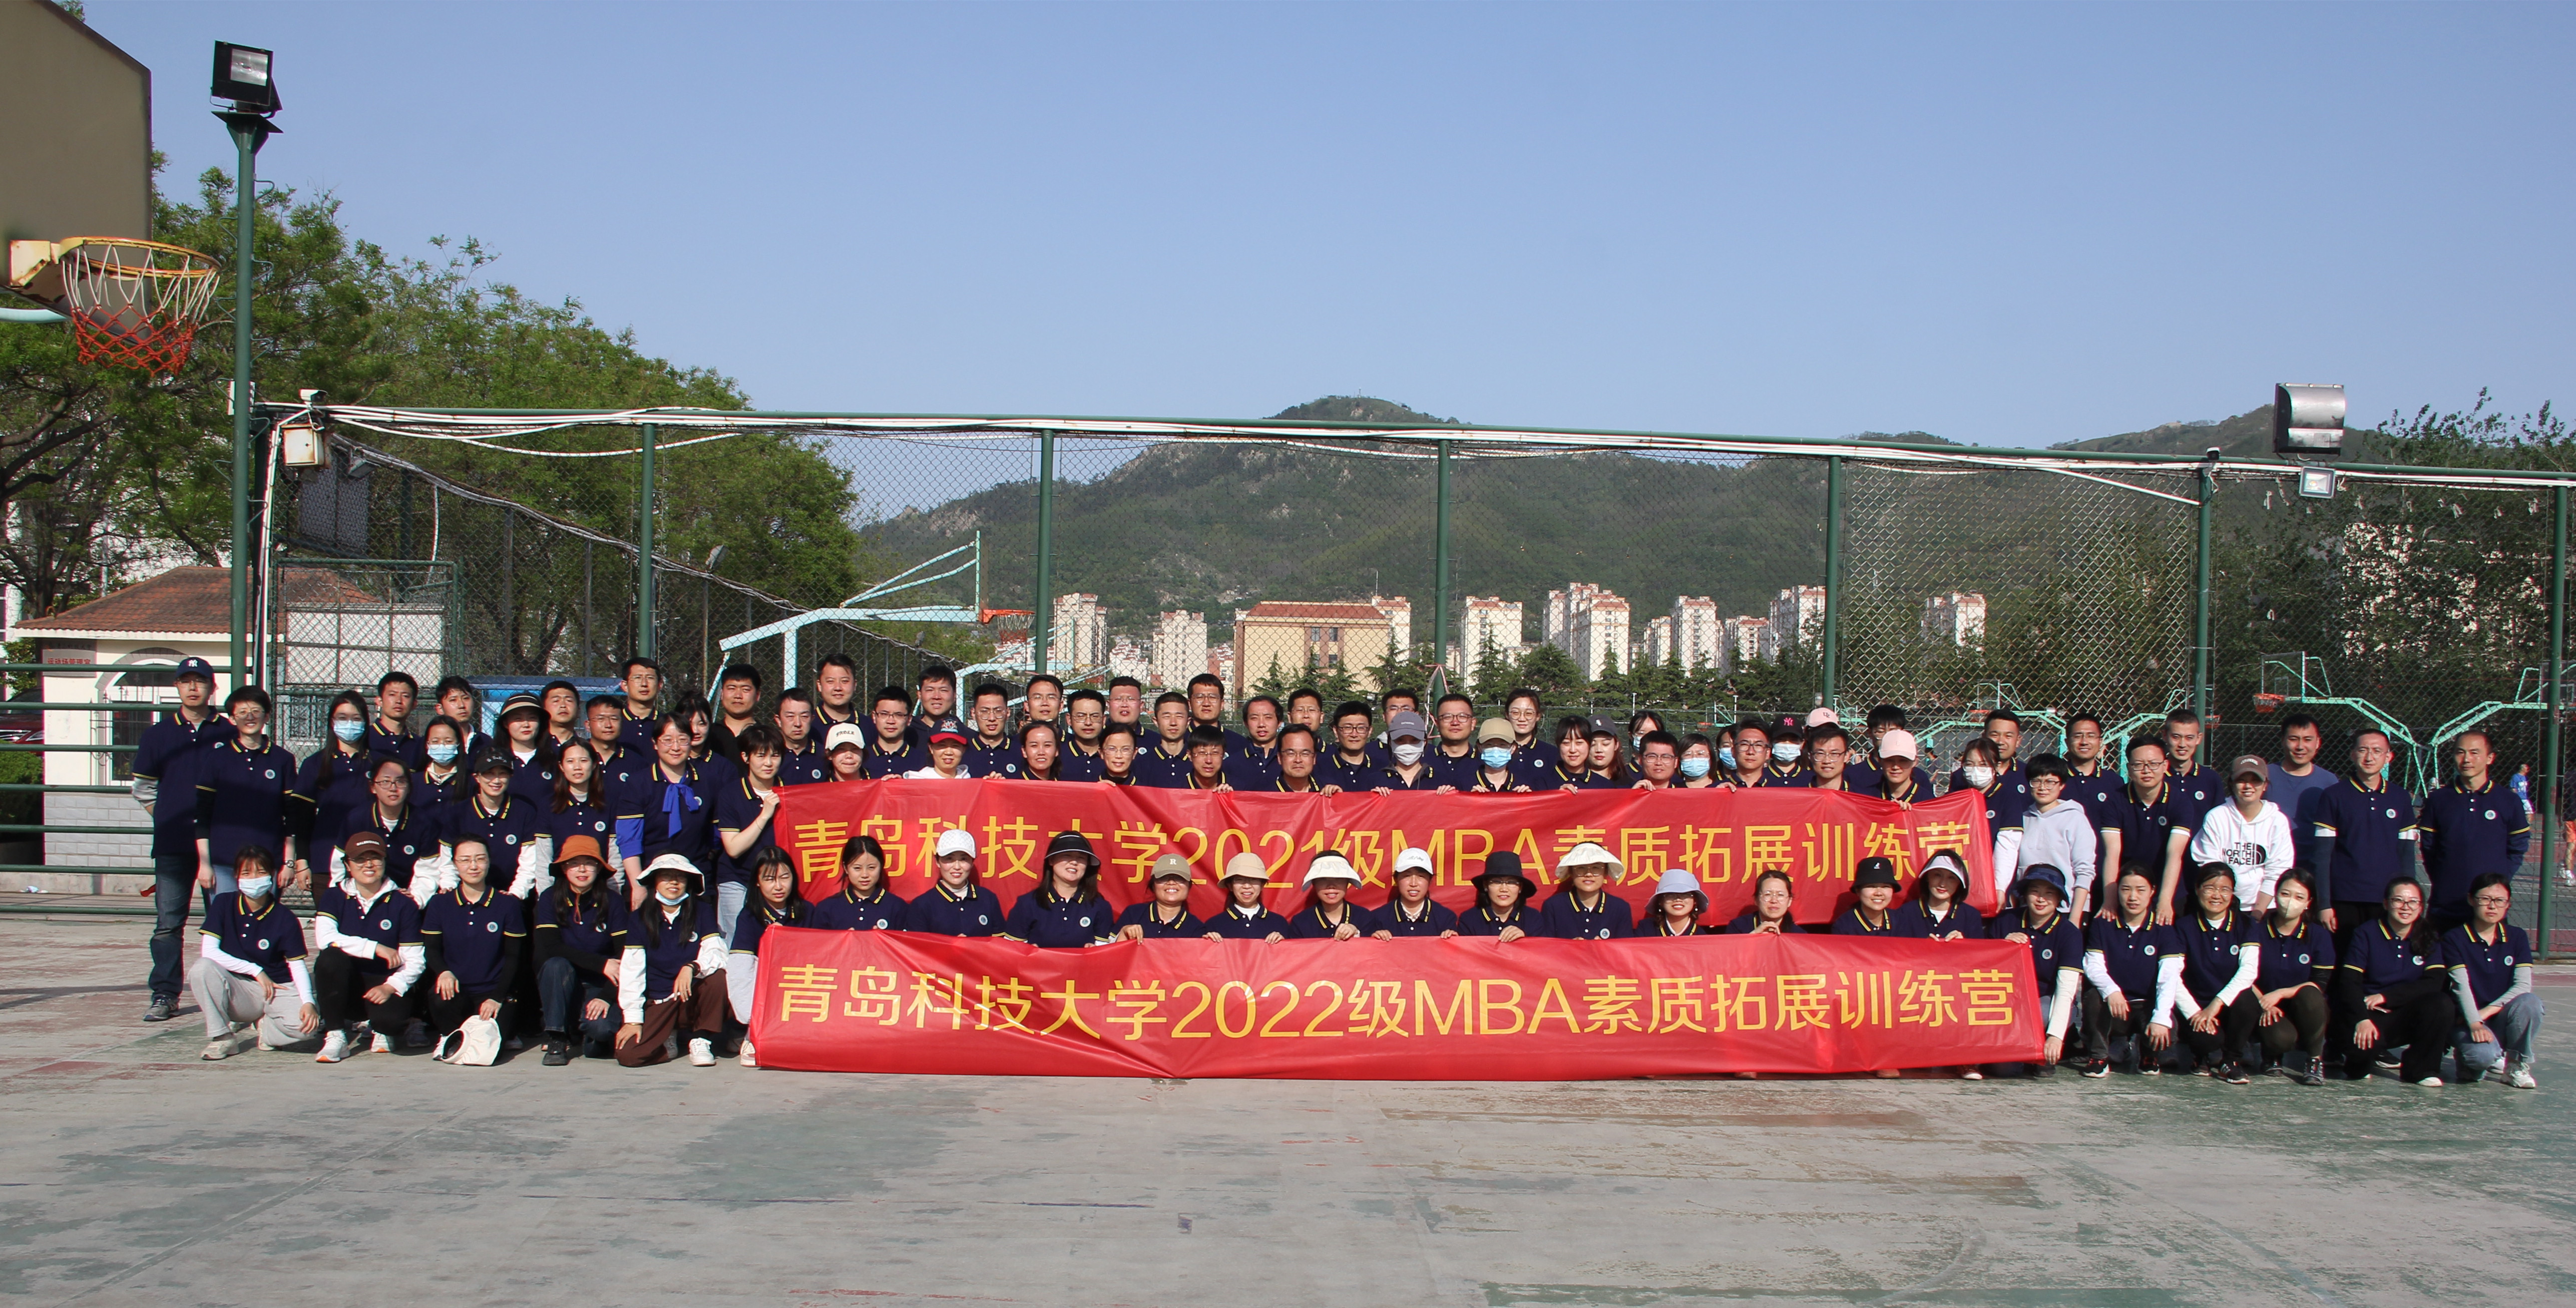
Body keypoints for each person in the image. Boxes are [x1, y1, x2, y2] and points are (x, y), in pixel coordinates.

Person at [133, 656, 229, 1023]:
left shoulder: (228, 732)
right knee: (168, 924)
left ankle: (228, 991)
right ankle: (165, 993)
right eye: (186, 681)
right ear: (176, 686)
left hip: (218, 847)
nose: (193, 687)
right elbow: (143, 788)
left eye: (200, 681)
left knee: (222, 921)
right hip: (173, 846)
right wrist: (167, 817)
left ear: (212, 687)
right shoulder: (158, 734)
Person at [189, 844, 320, 1060]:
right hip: (240, 989)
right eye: (247, 873)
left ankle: (266, 1030)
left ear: (272, 874)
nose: (254, 879)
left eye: (261, 872)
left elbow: (297, 965)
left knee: (306, 1029)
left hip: (277, 986)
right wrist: (256, 971)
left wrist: (308, 1002)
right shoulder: (223, 903)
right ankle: (222, 1038)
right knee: (202, 969)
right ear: (236, 877)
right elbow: (209, 951)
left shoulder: (285, 918)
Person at [308, 831, 423, 1062]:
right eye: (360, 859)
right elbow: (325, 938)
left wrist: (390, 987)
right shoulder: (333, 896)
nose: (369, 865)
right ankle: (335, 1035)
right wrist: (375, 948)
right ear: (348, 865)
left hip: (383, 984)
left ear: (385, 862)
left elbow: (415, 960)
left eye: (375, 858)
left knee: (389, 1020)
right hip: (347, 985)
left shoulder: (403, 903)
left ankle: (380, 1029)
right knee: (330, 959)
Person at [2333, 878, 2452, 1084]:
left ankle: (2421, 1071)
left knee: (2441, 1004)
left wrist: (2387, 997)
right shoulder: (2366, 933)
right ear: (2386, 904)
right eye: (2399, 900)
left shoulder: (2429, 936)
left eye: (2413, 902)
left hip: (2405, 1012)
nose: (2406, 907)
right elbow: (2349, 981)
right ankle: (2358, 1063)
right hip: (2371, 1012)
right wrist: (2361, 1019)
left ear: (2421, 907)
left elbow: (2433, 982)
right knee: (2360, 1056)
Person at [614, 854, 729, 1067]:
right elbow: (632, 970)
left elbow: (718, 953)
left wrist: (692, 967)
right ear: (655, 881)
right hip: (659, 1000)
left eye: (681, 877)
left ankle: (701, 1038)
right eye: (666, 876)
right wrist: (633, 1019)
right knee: (629, 1056)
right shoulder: (639, 918)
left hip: (691, 995)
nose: (674, 882)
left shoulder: (702, 910)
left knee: (718, 978)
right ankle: (669, 1040)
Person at [193, 685, 303, 898]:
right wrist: (204, 864)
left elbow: (292, 816)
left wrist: (289, 862)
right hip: (223, 862)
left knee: (264, 917)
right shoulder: (217, 759)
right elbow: (203, 814)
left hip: (267, 862)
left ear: (267, 716)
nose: (250, 717)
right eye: (242, 712)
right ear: (232, 719)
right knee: (225, 916)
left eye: (256, 711)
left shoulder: (283, 760)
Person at [2312, 728, 2418, 947]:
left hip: (2388, 899)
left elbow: (2407, 856)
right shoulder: (2334, 795)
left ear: (2389, 757)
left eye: (2377, 751)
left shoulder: (2400, 797)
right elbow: (2322, 856)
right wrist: (2324, 904)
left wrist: (2409, 901)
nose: (2369, 757)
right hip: (2344, 898)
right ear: (2352, 754)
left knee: (2383, 958)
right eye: (2363, 750)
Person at [420, 836, 528, 1048]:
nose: (473, 866)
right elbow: (431, 949)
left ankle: (498, 1032)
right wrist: (444, 972)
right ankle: (448, 1036)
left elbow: (514, 957)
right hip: (457, 990)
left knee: (488, 1048)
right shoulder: (440, 903)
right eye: (465, 860)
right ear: (455, 864)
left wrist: (497, 997)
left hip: (493, 992)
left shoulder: (507, 904)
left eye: (480, 859)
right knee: (440, 997)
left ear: (489, 861)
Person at [2417, 731, 2530, 932]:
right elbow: (2429, 848)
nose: (2467, 759)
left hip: (2489, 906)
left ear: (2490, 758)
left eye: (2474, 753)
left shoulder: (2508, 801)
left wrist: (2499, 880)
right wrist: (2445, 876)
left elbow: (2518, 847)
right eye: (2460, 752)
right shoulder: (2439, 799)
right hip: (2446, 904)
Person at [533, 834, 627, 1065]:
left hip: (600, 984)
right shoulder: (549, 898)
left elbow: (624, 954)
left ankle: (585, 1033)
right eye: (574, 863)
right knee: (555, 964)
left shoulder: (613, 901)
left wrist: (606, 997)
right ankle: (557, 1038)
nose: (582, 869)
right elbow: (552, 947)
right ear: (564, 868)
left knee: (602, 1031)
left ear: (599, 868)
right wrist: (602, 964)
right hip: (565, 981)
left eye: (589, 863)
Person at [2080, 865, 2182, 1076]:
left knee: (2166, 1020)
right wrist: (2112, 991)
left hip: (2145, 1006)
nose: (2133, 897)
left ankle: (2149, 1055)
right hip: (2116, 1006)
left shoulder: (2164, 928)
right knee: (2093, 996)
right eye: (2126, 889)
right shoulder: (2102, 924)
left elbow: (2169, 976)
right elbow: (2093, 965)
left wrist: (2161, 1018)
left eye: (2140, 890)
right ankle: (2099, 1057)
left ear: (2152, 891)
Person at [2443, 871, 2541, 1088]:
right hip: (2466, 1020)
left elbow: (2523, 986)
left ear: (2508, 904)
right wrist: (2475, 1022)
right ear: (2471, 900)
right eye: (2485, 899)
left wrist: (2484, 1014)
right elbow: (2461, 986)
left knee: (2530, 1003)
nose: (2492, 906)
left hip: (2497, 1016)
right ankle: (2469, 1060)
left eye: (2499, 901)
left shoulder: (2517, 937)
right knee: (2481, 1059)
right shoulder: (2454, 938)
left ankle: (2515, 1066)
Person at [2168, 863, 2261, 1084]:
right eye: (2210, 888)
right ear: (2198, 889)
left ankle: (2231, 1061)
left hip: (2227, 1006)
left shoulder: (2247, 925)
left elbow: (2248, 971)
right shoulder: (2183, 927)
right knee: (2206, 1041)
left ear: (2233, 893)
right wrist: (2195, 1013)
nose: (2217, 895)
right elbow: (2173, 975)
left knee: (2248, 1000)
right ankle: (2200, 1057)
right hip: (2197, 1007)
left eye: (2224, 889)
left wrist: (2217, 1004)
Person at [1996, 865, 2085, 1075]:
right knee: (2002, 1070)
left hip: (2046, 1003)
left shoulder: (2069, 934)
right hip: (2007, 1002)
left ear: (2059, 898)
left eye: (2049, 893)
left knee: (2040, 1013)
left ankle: (2043, 1046)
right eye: (2035, 891)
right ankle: (2021, 1052)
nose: (2041, 899)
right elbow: (1981, 965)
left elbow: (2066, 991)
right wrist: (2002, 945)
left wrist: (2055, 1036)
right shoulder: (2006, 921)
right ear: (2025, 894)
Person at [2250, 867, 2335, 1084]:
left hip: (2303, 1006)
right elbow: (2245, 974)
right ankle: (2271, 1055)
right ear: (2276, 894)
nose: (2290, 902)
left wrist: (2281, 993)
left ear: (2309, 902)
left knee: (2311, 995)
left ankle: (2314, 1059)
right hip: (2268, 1005)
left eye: (2299, 897)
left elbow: (2320, 983)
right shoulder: (2256, 931)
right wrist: (2264, 1001)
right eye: (2285, 894)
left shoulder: (2319, 936)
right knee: (2280, 1038)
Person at [726, 847, 806, 1067]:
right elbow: (741, 969)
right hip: (763, 993)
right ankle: (752, 1035)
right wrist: (752, 1018)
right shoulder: (749, 917)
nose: (778, 886)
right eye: (770, 879)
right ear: (757, 882)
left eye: (784, 877)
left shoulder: (807, 911)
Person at [624, 715, 717, 903]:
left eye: (683, 740)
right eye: (667, 740)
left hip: (696, 878)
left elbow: (716, 836)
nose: (675, 748)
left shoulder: (707, 781)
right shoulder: (638, 783)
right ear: (655, 743)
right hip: (650, 878)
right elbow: (629, 840)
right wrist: (638, 886)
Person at [711, 723, 789, 941]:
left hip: (778, 882)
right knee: (739, 943)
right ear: (746, 757)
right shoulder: (731, 794)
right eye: (761, 756)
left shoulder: (790, 791)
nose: (768, 763)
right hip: (738, 879)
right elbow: (733, 848)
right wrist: (765, 815)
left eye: (775, 756)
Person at [2190, 755, 2296, 914]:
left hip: (2264, 907)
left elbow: (2278, 870)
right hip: (2221, 905)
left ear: (2265, 785)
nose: (2248, 786)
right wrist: (2224, 905)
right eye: (2241, 780)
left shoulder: (2277, 821)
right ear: (2232, 784)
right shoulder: (2217, 817)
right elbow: (2211, 867)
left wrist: (2259, 912)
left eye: (2255, 781)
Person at [438, 749, 542, 901]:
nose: (496, 780)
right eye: (489, 774)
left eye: (502, 774)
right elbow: (448, 861)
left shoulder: (524, 812)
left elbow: (529, 864)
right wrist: (450, 889)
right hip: (466, 896)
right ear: (477, 777)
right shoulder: (458, 813)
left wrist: (515, 895)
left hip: (512, 896)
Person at [291, 691, 379, 869]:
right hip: (325, 859)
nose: (350, 724)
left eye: (356, 718)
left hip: (372, 859)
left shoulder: (379, 763)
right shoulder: (315, 764)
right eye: (342, 718)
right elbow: (302, 818)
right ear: (332, 722)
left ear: (365, 722)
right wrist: (302, 861)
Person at [2111, 737, 2193, 925]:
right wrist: (2111, 899)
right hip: (2129, 889)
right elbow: (2112, 853)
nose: (2146, 770)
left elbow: (2174, 854)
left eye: (2153, 764)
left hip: (2169, 888)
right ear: (2129, 768)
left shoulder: (2180, 802)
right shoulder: (2116, 800)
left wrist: (2165, 900)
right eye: (2139, 765)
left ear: (2165, 766)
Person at [2006, 754, 2097, 916]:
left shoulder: (2075, 818)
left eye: (2050, 782)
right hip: (2029, 909)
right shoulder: (2022, 819)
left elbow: (2085, 870)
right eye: (2036, 781)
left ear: (2061, 785)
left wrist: (2075, 917)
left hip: (2067, 910)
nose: (2042, 788)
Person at [336, 755, 435, 893]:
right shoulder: (356, 819)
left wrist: (414, 897)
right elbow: (339, 861)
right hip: (362, 892)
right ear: (373, 787)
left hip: (407, 893)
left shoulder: (424, 822)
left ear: (409, 787)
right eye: (385, 782)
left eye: (400, 782)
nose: (393, 788)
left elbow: (428, 871)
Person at [1004, 831, 1117, 947]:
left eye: (1081, 858)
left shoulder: (1100, 906)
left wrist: (1095, 951)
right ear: (1051, 861)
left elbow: (1105, 950)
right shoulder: (1027, 904)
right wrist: (1027, 951)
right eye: (1067, 856)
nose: (1074, 862)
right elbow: (1010, 950)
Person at [2060, 712, 2128, 899]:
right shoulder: (2055, 779)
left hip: (2103, 873)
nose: (2084, 742)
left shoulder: (2115, 783)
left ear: (2100, 741)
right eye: (2078, 736)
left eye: (2091, 736)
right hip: (2062, 873)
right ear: (2067, 741)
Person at [2266, 713, 2336, 875]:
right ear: (2283, 740)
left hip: (2313, 868)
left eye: (2307, 740)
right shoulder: (2264, 777)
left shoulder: (2329, 782)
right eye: (2293, 739)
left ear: (2318, 742)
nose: (2300, 746)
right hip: (2271, 865)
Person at [906, 828, 1004, 935]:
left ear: (972, 863)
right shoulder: (922, 905)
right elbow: (916, 944)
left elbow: (999, 942)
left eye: (964, 859)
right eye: (949, 859)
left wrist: (972, 944)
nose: (957, 867)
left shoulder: (988, 899)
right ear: (938, 862)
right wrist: (953, 944)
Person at [545, 739, 617, 878]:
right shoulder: (550, 805)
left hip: (600, 883)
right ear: (561, 766)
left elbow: (615, 853)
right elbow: (544, 857)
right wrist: (546, 890)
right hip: (560, 884)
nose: (577, 767)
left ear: (594, 764)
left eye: (584, 761)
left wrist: (613, 887)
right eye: (570, 761)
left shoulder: (609, 803)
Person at [809, 834, 908, 931]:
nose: (865, 875)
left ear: (881, 866)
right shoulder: (827, 908)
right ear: (846, 868)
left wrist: (882, 939)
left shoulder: (897, 907)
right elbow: (818, 941)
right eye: (857, 868)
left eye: (871, 868)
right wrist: (843, 939)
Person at [1539, 843, 1634, 940]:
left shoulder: (1620, 908)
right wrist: (1569, 946)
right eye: (1581, 868)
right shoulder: (1554, 906)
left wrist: (1605, 946)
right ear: (1571, 872)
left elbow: (1626, 947)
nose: (1589, 874)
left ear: (1606, 872)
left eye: (1596, 868)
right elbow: (1545, 945)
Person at [1893, 851, 1982, 940]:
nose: (1943, 884)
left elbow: (1979, 948)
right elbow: (1898, 947)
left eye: (1952, 878)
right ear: (1927, 877)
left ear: (1959, 883)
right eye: (1937, 875)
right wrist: (1922, 946)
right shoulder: (1906, 913)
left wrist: (1964, 944)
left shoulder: (1971, 916)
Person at [1371, 847, 1459, 937]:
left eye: (1421, 876)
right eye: (1407, 876)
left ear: (1430, 880)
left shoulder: (1445, 918)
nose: (1413, 884)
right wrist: (1374, 940)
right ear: (1396, 879)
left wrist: (1452, 940)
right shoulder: (1378, 918)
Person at [1203, 852, 1290, 941]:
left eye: (1254, 880)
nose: (1247, 886)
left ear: (1262, 885)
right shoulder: (1215, 924)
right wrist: (1209, 943)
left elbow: (1291, 949)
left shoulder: (1279, 923)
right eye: (1240, 880)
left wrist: (1283, 944)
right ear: (1230, 886)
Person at [1117, 854, 1205, 939]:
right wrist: (1124, 933)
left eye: (1179, 879)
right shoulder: (1133, 914)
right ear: (1153, 885)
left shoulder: (1196, 928)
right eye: (1164, 878)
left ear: (1189, 886)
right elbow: (1112, 947)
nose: (1171, 883)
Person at [1455, 853, 1537, 940]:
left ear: (1520, 887)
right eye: (1497, 882)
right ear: (1486, 886)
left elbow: (1541, 947)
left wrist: (1526, 940)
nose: (1504, 889)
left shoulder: (1533, 918)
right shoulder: (1469, 919)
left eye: (1511, 882)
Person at [1288, 853, 1368, 939]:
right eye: (1323, 879)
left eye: (1338, 879)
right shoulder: (1301, 922)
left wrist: (1356, 933)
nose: (1331, 886)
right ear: (1314, 883)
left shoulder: (1364, 917)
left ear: (1348, 882)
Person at [861, 686, 928, 778]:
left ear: (909, 719)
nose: (891, 721)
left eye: (899, 715)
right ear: (874, 717)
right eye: (884, 714)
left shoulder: (923, 761)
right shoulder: (861, 759)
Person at [1518, 715, 1597, 792]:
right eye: (1566, 743)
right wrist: (1557, 796)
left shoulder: (1602, 785)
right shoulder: (1541, 784)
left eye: (1579, 743)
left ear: (1589, 744)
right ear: (1558, 745)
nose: (1573, 750)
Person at [1222, 694, 1284, 789]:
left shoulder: (1289, 761)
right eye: (1254, 718)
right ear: (1246, 723)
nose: (1261, 724)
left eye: (1268, 718)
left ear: (1279, 722)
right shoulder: (1231, 764)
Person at [964, 682, 1025, 778]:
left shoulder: (1022, 752)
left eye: (998, 711)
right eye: (985, 712)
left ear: (1008, 713)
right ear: (973, 713)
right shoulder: (963, 752)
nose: (992, 718)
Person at [706, 662, 764, 762]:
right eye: (732, 689)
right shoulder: (708, 734)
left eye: (745, 690)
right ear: (722, 694)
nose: (738, 696)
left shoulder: (766, 736)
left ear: (757, 695)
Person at [772, 688, 830, 787]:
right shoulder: (770, 755)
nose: (798, 724)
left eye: (804, 717)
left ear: (812, 719)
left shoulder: (824, 756)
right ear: (778, 720)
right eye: (790, 717)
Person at [414, 714, 471, 814]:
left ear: (458, 743)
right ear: (427, 745)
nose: (442, 746)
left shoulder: (470, 782)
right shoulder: (414, 782)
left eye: (449, 741)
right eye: (435, 741)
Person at [366, 670, 424, 768]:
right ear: (379, 701)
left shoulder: (419, 745)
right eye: (392, 695)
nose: (399, 701)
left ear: (414, 704)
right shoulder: (364, 738)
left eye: (405, 696)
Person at [1320, 702, 1382, 792]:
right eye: (1348, 728)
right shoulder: (1320, 769)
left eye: (1361, 728)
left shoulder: (1383, 770)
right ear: (1336, 731)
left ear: (1370, 731)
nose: (1354, 734)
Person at [1370, 712, 1438, 791]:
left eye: (1415, 740)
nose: (1407, 746)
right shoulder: (1375, 780)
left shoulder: (1441, 780)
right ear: (1390, 742)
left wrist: (1447, 795)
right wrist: (1372, 797)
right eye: (1400, 740)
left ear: (1425, 742)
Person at [1424, 694, 1480, 790]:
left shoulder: (1485, 765)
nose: (1455, 722)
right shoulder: (1422, 763)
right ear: (1437, 724)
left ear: (1473, 723)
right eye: (1447, 717)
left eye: (1462, 717)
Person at [1833, 858, 1902, 935]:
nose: (1879, 893)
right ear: (1858, 891)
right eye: (1871, 886)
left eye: (1885, 887)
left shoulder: (1901, 921)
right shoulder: (1844, 926)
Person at [1723, 868, 1804, 934]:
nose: (1774, 901)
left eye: (1780, 895)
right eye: (1768, 894)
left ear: (1789, 901)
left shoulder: (1798, 934)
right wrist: (1753, 935)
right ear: (1756, 900)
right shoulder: (1738, 927)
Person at [431, 675, 491, 761]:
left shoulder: (486, 742)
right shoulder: (431, 745)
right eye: (453, 700)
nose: (462, 705)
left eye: (466, 698)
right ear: (440, 709)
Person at [1860, 729, 1928, 804]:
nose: (1896, 767)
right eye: (1889, 760)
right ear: (1880, 761)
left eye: (1903, 761)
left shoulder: (1927, 801)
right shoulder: (1865, 798)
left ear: (1915, 762)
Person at [614, 657, 664, 754]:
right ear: (625, 686)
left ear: (660, 685)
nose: (644, 684)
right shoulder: (613, 723)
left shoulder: (667, 724)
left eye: (650, 678)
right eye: (637, 678)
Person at [1640, 869, 1710, 936]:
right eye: (1671, 895)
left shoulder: (1702, 935)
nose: (1678, 899)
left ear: (1695, 901)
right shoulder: (1646, 929)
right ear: (1661, 901)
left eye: (1685, 895)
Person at [1468, 719, 1528, 793]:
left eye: (1503, 745)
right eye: (1489, 745)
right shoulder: (1464, 783)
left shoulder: (1523, 784)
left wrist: (1527, 798)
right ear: (1480, 747)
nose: (1496, 750)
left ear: (1513, 748)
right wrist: (1469, 798)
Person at [1060, 689, 1108, 780]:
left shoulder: (1114, 756)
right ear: (1069, 719)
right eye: (1081, 716)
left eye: (1095, 716)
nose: (1088, 723)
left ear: (1104, 720)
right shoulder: (1057, 755)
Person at [905, 719, 975, 781]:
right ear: (931, 748)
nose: (949, 752)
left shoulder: (970, 782)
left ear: (963, 750)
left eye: (955, 746)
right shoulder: (916, 782)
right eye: (942, 745)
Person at [1501, 689, 1549, 771]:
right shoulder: (1495, 753)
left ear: (1538, 716)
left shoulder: (1551, 753)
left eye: (1529, 714)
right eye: (1516, 713)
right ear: (1507, 715)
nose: (1522, 719)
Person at [812, 654, 861, 732]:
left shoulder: (868, 726)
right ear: (819, 685)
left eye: (844, 681)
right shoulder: (808, 726)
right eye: (830, 681)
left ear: (855, 685)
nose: (838, 688)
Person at [1722, 717, 1776, 789]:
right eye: (1744, 744)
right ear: (1733, 751)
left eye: (1758, 745)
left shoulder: (1781, 790)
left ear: (1768, 753)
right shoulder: (1716, 789)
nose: (1751, 752)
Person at [913, 663, 959, 741]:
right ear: (920, 695)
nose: (937, 697)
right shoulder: (905, 734)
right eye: (930, 690)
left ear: (954, 695)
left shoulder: (968, 736)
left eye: (943, 690)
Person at [1801, 725, 1855, 792]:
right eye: (1820, 754)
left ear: (1846, 756)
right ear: (1811, 756)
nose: (1827, 761)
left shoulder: (1860, 796)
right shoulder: (1798, 795)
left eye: (1834, 754)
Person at [1180, 726, 1233, 791]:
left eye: (1215, 753)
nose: (1209, 761)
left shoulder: (1239, 788)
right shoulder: (1177, 790)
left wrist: (1233, 796)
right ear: (1190, 755)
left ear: (1223, 755)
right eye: (1202, 753)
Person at [1017, 673, 1064, 738]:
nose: (1045, 703)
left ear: (1061, 705)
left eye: (1051, 697)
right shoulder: (1014, 743)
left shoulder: (1074, 742)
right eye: (1038, 697)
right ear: (1027, 706)